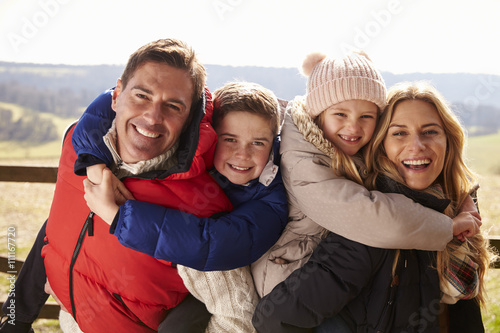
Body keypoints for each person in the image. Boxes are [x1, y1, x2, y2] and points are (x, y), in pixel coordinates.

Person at [2, 38, 237, 333]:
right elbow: (59, 224)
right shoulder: (76, 146)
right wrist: (17, 317)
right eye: (142, 95)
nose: (153, 117)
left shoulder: (203, 206)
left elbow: (235, 317)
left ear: (188, 119)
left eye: (173, 106)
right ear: (116, 96)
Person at [252, 81, 493, 332]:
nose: (417, 146)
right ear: (380, 145)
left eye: (430, 131)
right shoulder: (369, 228)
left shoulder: (456, 209)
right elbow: (275, 319)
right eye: (399, 133)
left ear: (448, 140)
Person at [81, 81, 288, 333]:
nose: (242, 154)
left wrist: (117, 216)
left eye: (258, 143)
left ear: (273, 143)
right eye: (230, 139)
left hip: (218, 285)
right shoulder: (193, 158)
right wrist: (94, 163)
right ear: (211, 135)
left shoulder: (270, 201)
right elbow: (109, 100)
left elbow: (213, 242)